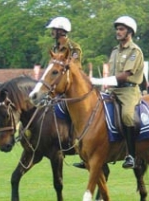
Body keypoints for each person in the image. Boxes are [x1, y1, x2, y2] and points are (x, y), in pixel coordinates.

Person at [46, 16, 84, 169]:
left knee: (72, 113)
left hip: (72, 90)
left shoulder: (74, 48)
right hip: (58, 89)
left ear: (61, 31)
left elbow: (75, 69)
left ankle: (78, 144)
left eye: (53, 30)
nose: (51, 32)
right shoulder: (54, 49)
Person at [107, 16, 144, 169]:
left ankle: (131, 155)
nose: (118, 31)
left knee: (127, 116)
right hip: (113, 89)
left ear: (129, 32)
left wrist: (102, 81)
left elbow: (125, 75)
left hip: (129, 90)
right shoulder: (115, 51)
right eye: (117, 29)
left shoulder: (135, 51)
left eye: (121, 29)